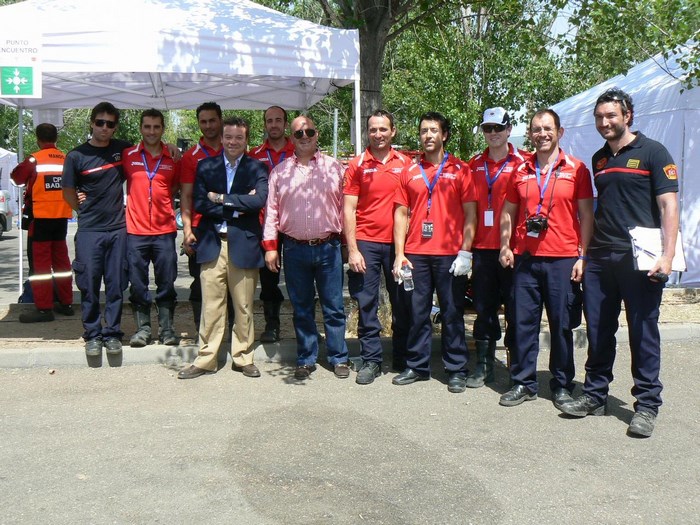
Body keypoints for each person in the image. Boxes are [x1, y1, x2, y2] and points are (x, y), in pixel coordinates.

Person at [558, 88, 679, 438]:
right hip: (600, 256)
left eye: (611, 115)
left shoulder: (654, 152)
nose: (604, 122)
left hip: (640, 257)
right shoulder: (598, 159)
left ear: (627, 115)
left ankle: (647, 405)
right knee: (598, 329)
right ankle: (595, 395)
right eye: (599, 117)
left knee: (643, 331)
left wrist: (667, 256)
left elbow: (669, 206)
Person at [498, 109, 594, 408]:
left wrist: (583, 256)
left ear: (559, 132)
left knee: (562, 324)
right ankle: (523, 382)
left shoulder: (577, 169)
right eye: (537, 129)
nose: (542, 134)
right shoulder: (521, 170)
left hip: (563, 259)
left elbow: (587, 215)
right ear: (530, 133)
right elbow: (508, 212)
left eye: (548, 128)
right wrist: (504, 245)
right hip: (526, 259)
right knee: (523, 323)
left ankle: (562, 384)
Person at [391, 112, 477, 393]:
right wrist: (399, 254)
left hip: (450, 255)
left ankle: (456, 369)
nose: (428, 135)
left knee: (452, 312)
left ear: (444, 135)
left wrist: (466, 251)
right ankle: (417, 366)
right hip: (416, 254)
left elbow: (470, 213)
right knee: (418, 312)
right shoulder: (409, 172)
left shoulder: (461, 170)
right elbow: (401, 214)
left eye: (433, 130)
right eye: (424, 131)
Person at [178, 117, 269, 379]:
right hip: (212, 244)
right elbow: (199, 203)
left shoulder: (257, 167)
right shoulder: (206, 166)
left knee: (243, 306)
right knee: (212, 305)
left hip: (244, 244)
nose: (232, 142)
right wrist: (240, 205)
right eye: (228, 137)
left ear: (246, 139)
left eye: (238, 137)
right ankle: (206, 359)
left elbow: (259, 201)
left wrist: (220, 198)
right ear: (222, 139)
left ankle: (243, 358)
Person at [263, 115, 350, 380]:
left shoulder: (335, 168)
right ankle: (306, 357)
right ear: (292, 138)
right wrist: (270, 247)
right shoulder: (279, 172)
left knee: (333, 305)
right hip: (294, 249)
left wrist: (348, 244)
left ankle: (339, 357)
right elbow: (271, 213)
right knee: (301, 307)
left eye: (309, 132)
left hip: (328, 248)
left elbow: (345, 210)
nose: (304, 137)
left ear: (317, 134)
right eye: (298, 134)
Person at [343, 109, 411, 384]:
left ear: (392, 131)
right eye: (373, 129)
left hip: (399, 245)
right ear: (367, 132)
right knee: (367, 303)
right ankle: (371, 360)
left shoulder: (405, 163)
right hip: (367, 243)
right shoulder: (357, 164)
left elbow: (407, 208)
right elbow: (348, 209)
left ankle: (402, 356)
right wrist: (353, 249)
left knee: (403, 301)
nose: (378, 134)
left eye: (383, 129)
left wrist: (403, 251)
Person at [465, 107, 529, 387]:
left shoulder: (525, 162)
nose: (492, 134)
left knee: (517, 309)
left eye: (497, 128)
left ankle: (517, 366)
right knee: (484, 308)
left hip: (515, 249)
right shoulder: (473, 164)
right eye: (487, 129)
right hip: (482, 248)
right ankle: (484, 365)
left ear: (508, 128)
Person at [62, 102, 131, 357]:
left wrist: (169, 147)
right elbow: (68, 191)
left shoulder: (123, 150)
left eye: (110, 124)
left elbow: (149, 148)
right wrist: (80, 208)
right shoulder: (76, 156)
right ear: (91, 123)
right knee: (89, 285)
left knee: (115, 284)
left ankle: (112, 332)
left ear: (115, 127)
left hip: (117, 229)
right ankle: (92, 334)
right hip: (90, 230)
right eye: (100, 122)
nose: (104, 128)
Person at [122, 109, 180, 347]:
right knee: (137, 283)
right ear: (141, 128)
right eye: (147, 127)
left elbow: (176, 189)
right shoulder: (128, 155)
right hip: (135, 231)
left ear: (163, 129)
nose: (152, 131)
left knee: (166, 282)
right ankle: (143, 329)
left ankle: (167, 329)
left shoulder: (173, 157)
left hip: (164, 231)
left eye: (157, 127)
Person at [11, 123, 74, 322]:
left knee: (41, 267)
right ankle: (66, 303)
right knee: (62, 262)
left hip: (41, 218)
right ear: (56, 139)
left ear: (38, 139)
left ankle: (44, 309)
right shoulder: (66, 159)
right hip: (61, 218)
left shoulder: (34, 160)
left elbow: (16, 178)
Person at [249, 105, 296, 343]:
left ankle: (303, 327)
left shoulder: (298, 151)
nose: (274, 125)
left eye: (279, 120)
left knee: (301, 280)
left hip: (295, 225)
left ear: (286, 124)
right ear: (265, 125)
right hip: (265, 224)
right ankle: (272, 325)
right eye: (270, 121)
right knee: (269, 280)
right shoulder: (254, 154)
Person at [180, 102, 225, 337]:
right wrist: (187, 231)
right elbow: (186, 196)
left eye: (212, 120)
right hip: (201, 228)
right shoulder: (191, 157)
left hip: (231, 227)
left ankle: (228, 334)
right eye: (203, 121)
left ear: (220, 120)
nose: (208, 126)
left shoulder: (234, 148)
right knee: (200, 284)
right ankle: (203, 332)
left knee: (230, 283)